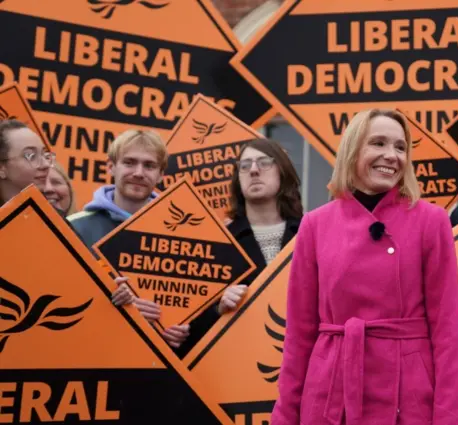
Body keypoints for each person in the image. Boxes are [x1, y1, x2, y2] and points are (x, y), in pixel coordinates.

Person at [271, 109, 458, 424]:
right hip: (330, 393)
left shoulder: (431, 221)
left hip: (409, 396)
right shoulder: (315, 225)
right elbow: (298, 333)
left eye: (400, 147)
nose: (391, 156)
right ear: (353, 150)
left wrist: (450, 417)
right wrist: (285, 416)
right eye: (378, 143)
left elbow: (448, 333)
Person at [176, 138, 303, 357]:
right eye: (245, 166)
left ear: (282, 172)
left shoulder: (309, 233)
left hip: (298, 360)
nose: (254, 170)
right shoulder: (218, 240)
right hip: (237, 362)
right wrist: (219, 307)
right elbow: (189, 323)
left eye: (264, 163)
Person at [0, 119, 133, 307]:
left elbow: (86, 284)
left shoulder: (58, 222)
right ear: (2, 168)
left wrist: (113, 291)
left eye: (46, 155)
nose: (45, 164)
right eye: (30, 155)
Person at [68, 129, 179, 345]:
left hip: (160, 363)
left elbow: (191, 301)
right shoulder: (75, 227)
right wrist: (108, 298)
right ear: (111, 167)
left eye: (149, 165)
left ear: (161, 174)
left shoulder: (184, 234)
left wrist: (181, 326)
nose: (139, 173)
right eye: (129, 162)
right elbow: (61, 297)